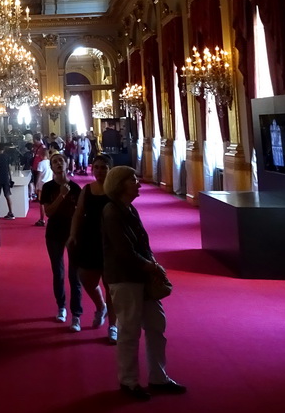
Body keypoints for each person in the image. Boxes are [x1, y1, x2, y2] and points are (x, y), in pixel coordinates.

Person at [102, 166, 186, 400]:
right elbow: (124, 251)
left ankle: (158, 376)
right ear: (120, 185)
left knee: (156, 325)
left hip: (142, 275)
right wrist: (152, 266)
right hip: (124, 277)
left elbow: (142, 244)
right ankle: (128, 381)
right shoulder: (112, 212)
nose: (138, 183)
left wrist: (152, 264)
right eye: (132, 180)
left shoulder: (129, 209)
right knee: (129, 330)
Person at [69, 153, 117, 343]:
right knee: (86, 277)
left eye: (103, 167)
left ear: (110, 169)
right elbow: (78, 214)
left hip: (111, 240)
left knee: (111, 285)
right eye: (96, 167)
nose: (99, 171)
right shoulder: (87, 189)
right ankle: (100, 306)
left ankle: (113, 325)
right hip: (89, 238)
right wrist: (73, 235)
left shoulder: (115, 190)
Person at [40, 153, 83, 329]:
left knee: (75, 276)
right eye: (55, 162)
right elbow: (48, 212)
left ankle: (77, 314)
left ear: (66, 164)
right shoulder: (48, 187)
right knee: (58, 273)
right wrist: (61, 196)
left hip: (73, 234)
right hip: (54, 234)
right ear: (51, 167)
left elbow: (80, 214)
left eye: (61, 161)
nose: (58, 164)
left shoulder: (76, 188)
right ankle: (61, 307)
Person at [0, 142, 16, 219]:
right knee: (7, 195)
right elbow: (9, 168)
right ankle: (11, 212)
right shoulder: (7, 157)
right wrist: (10, 177)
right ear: (4, 149)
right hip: (5, 178)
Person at [34, 146, 53, 226]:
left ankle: (42, 219)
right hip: (50, 183)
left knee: (42, 203)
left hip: (42, 185)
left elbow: (39, 175)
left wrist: (36, 186)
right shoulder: (50, 162)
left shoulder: (40, 164)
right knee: (50, 202)